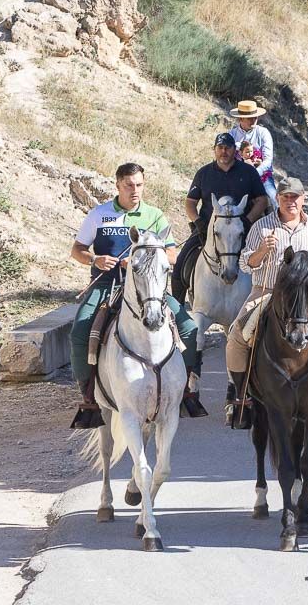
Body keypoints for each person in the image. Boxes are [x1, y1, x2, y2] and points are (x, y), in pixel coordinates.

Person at [69, 163, 207, 427]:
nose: (135, 190)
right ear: (118, 185)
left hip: (149, 289)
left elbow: (172, 254)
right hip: (107, 284)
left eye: (139, 185)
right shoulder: (100, 214)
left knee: (189, 328)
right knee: (79, 332)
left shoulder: (155, 216)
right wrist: (96, 260)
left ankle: (186, 391)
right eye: (129, 185)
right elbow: (77, 249)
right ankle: (89, 398)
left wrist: (144, 256)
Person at [224, 177, 308, 426]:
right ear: (277, 199)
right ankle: (240, 397)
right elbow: (246, 265)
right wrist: (261, 251)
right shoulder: (262, 227)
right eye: (286, 197)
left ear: (303, 200)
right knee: (237, 335)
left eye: (295, 197)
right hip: (267, 291)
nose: (291, 201)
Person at [171, 133, 269, 305]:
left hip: (242, 229)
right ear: (214, 150)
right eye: (220, 148)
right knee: (180, 266)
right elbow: (190, 202)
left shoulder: (248, 172)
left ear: (234, 150)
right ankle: (177, 311)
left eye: (228, 148)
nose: (224, 152)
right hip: (207, 230)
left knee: (269, 260)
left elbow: (262, 200)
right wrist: (198, 222)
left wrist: (247, 220)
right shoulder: (203, 173)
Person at [229, 100, 277, 208]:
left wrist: (255, 173)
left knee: (275, 200)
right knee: (220, 199)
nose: (254, 120)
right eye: (250, 118)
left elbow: (268, 160)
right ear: (240, 118)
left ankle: (281, 223)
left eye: (255, 117)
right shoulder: (231, 135)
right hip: (237, 176)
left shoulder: (263, 133)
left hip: (262, 176)